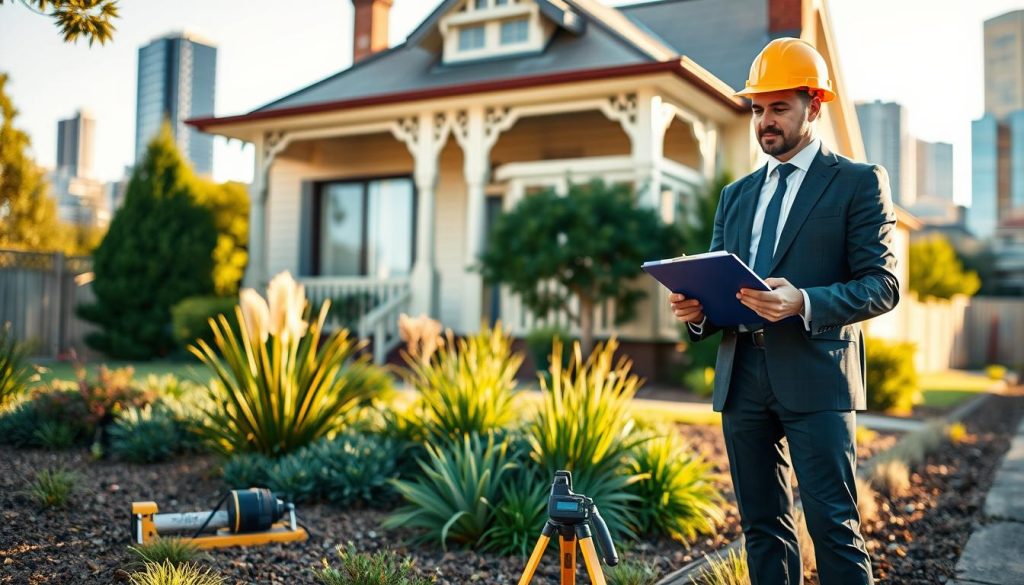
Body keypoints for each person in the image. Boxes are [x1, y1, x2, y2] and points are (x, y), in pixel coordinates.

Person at [669, 37, 899, 585]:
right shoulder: (736, 195)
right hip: (742, 377)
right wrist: (697, 309)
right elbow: (725, 293)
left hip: (818, 378)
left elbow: (883, 285)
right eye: (757, 109)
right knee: (762, 529)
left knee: (833, 526)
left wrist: (806, 301)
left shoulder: (858, 183)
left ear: (814, 107)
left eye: (778, 108)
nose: (764, 121)